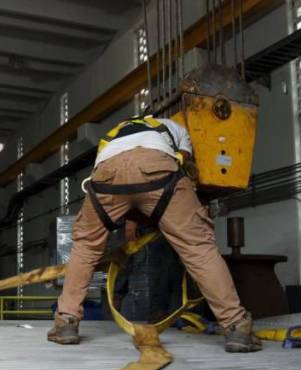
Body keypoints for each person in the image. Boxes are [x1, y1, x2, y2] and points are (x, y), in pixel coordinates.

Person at [49, 115, 262, 353]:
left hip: (107, 174)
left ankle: (66, 323)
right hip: (158, 167)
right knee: (199, 249)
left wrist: (133, 217)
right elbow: (186, 167)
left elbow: (127, 180)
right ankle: (236, 326)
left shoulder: (113, 133)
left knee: (86, 248)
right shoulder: (176, 129)